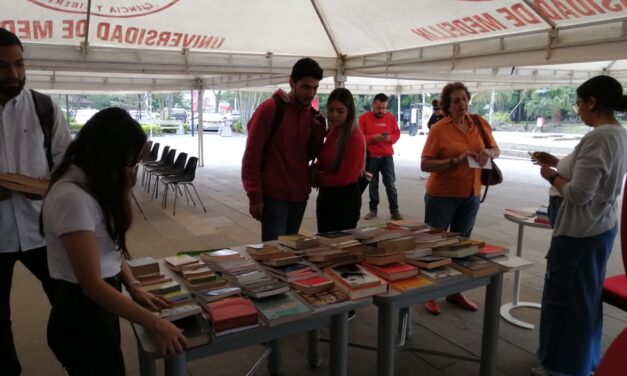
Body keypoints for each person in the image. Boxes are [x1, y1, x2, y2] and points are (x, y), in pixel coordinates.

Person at [42, 108, 187, 375]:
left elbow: (108, 247)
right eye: (130, 161)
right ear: (106, 156)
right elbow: (92, 286)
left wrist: (133, 286)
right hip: (80, 317)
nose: (133, 170)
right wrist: (157, 325)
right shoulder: (72, 198)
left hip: (98, 309)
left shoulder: (91, 184)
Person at [532, 75, 627, 376]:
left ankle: (561, 367)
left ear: (592, 102)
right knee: (584, 299)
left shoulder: (599, 137)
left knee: (566, 301)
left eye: (578, 104)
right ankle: (583, 361)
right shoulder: (618, 134)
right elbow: (590, 175)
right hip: (600, 228)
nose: (579, 111)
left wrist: (551, 175)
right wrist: (559, 162)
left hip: (580, 232)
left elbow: (578, 193)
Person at [0, 28, 72, 376]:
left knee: (70, 305)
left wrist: (46, 187)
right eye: (2, 67)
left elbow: (67, 166)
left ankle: (77, 364)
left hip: (43, 229)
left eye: (19, 64)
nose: (13, 74)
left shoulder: (44, 107)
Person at [420, 82, 500, 315]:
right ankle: (430, 293)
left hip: (471, 194)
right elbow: (425, 163)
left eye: (464, 99)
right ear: (447, 105)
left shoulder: (478, 123)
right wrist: (455, 161)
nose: (462, 104)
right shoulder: (439, 129)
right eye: (456, 101)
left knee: (462, 246)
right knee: (435, 247)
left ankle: (454, 291)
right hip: (441, 195)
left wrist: (488, 153)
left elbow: (496, 149)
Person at [241, 57, 326, 242]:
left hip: (299, 197)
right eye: (305, 86)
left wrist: (319, 132)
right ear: (292, 83)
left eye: (315, 87)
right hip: (274, 198)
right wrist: (254, 196)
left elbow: (308, 155)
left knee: (290, 255)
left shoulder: (311, 116)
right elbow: (251, 156)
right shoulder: (270, 109)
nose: (311, 93)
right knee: (274, 256)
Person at [314, 88, 365, 233]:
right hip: (326, 197)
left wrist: (316, 178)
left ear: (349, 112)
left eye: (340, 111)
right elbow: (324, 159)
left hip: (344, 201)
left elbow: (343, 179)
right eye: (331, 110)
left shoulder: (355, 138)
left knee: (338, 248)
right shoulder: (332, 131)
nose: (334, 115)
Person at [359, 93, 403, 221]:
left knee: (390, 184)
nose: (381, 111)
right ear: (373, 105)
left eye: (384, 108)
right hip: (371, 157)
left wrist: (389, 138)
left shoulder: (390, 118)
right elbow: (359, 138)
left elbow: (397, 133)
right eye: (379, 108)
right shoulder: (364, 118)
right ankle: (373, 210)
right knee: (373, 184)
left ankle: (394, 211)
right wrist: (373, 138)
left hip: (387, 157)